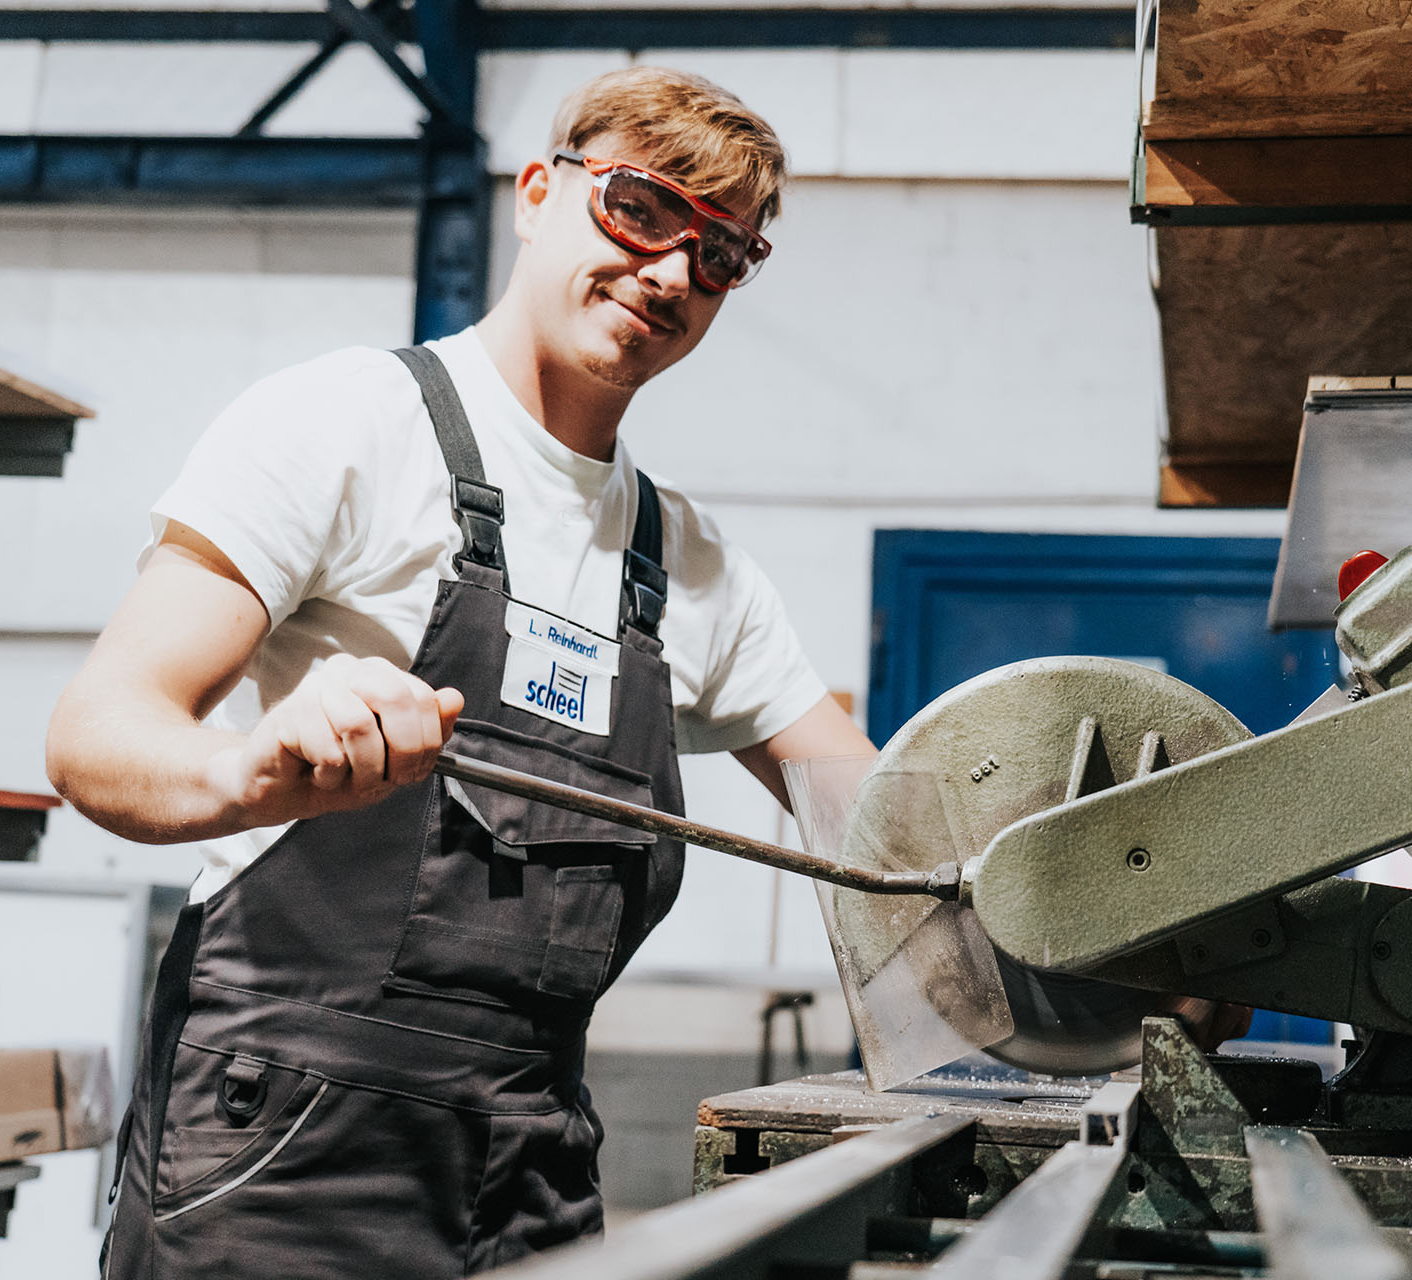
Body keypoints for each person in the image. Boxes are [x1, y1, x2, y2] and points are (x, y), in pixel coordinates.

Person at [47, 66, 874, 1278]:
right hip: (278, 1160)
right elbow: (97, 734)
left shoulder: (693, 569)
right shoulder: (346, 426)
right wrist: (257, 768)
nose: (670, 272)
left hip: (530, 1173)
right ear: (540, 194)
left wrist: (1116, 939)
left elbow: (888, 830)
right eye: (641, 209)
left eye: (721, 255)